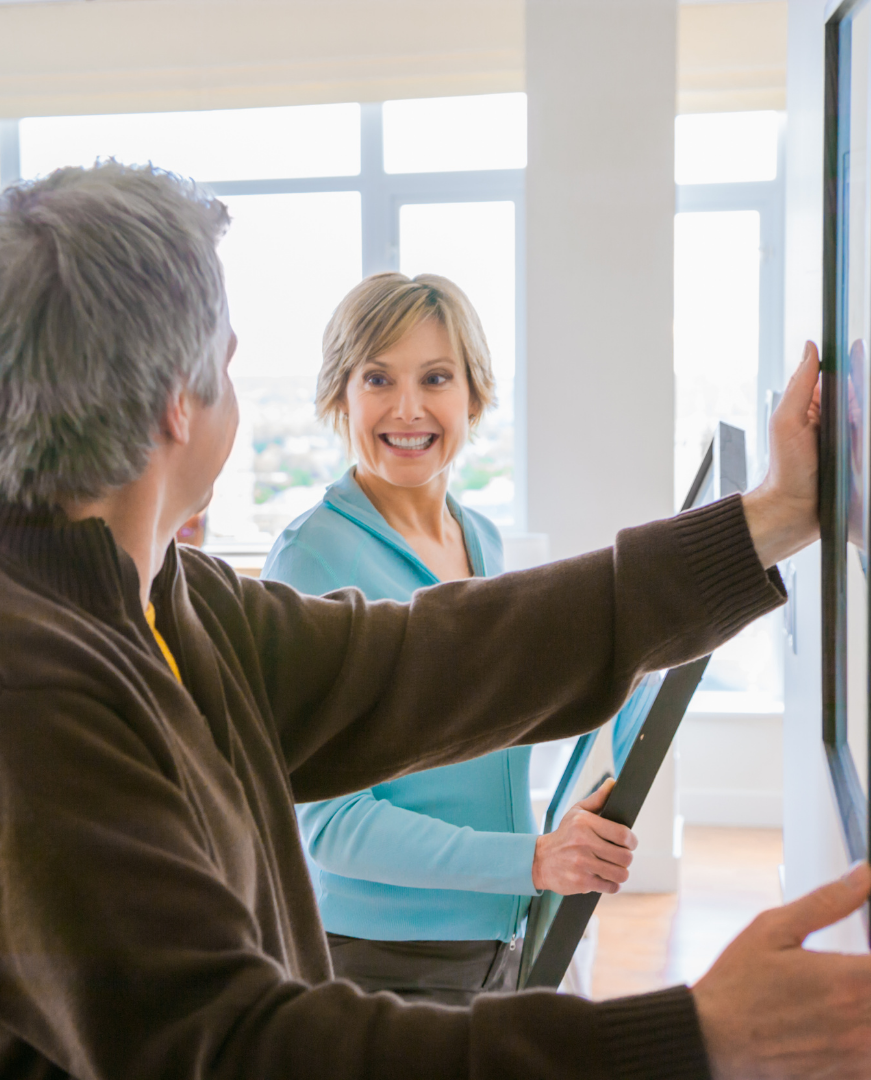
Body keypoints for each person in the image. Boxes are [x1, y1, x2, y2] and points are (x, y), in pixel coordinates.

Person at [0, 161, 871, 1080]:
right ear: (178, 400)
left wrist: (765, 521)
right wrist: (696, 1039)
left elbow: (423, 662)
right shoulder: (3, 683)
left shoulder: (153, 592)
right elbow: (242, 1053)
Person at [262, 271, 638, 1003]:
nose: (409, 408)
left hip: (494, 939)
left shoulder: (480, 538)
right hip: (382, 959)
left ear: (475, 394)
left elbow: (489, 738)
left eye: (437, 377)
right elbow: (332, 825)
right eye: (378, 378)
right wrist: (529, 861)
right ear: (340, 394)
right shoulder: (311, 559)